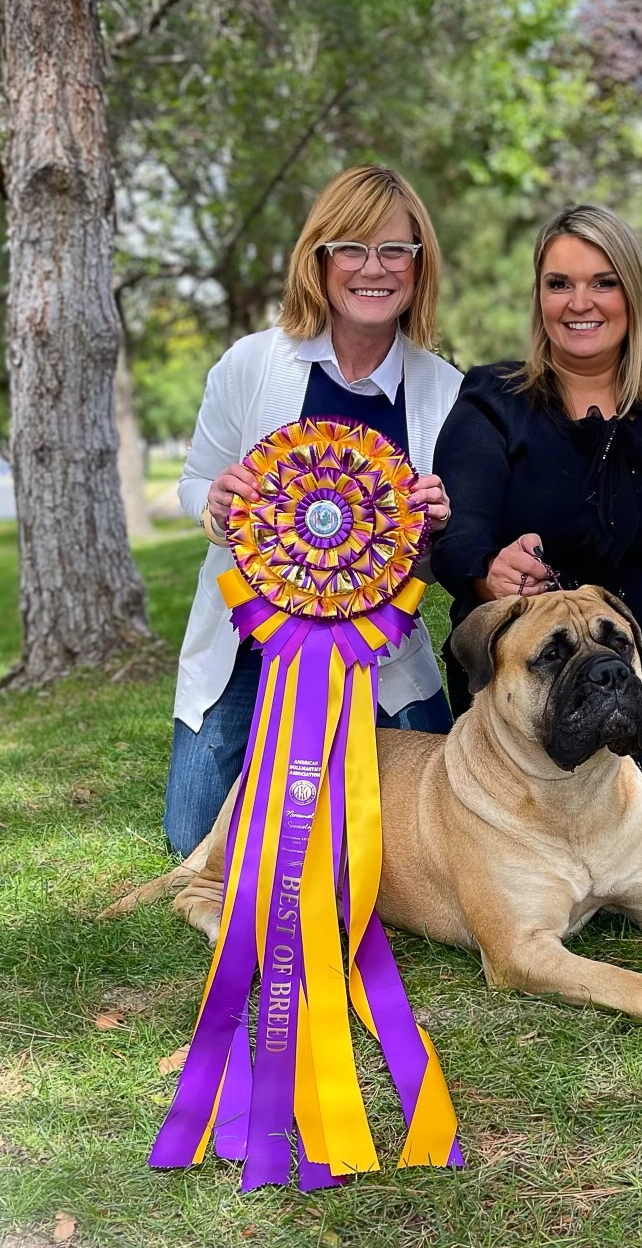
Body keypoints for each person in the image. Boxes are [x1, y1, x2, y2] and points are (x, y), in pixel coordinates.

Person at [430, 203, 642, 866]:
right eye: (559, 284)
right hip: (535, 689)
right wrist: (489, 569)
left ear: (633, 292)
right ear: (539, 296)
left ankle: (598, 836)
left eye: (603, 282)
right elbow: (460, 528)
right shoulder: (491, 398)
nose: (579, 303)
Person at [165, 165, 462, 857]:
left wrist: (439, 531)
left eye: (395, 250)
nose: (373, 268)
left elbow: (438, 563)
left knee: (430, 831)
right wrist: (215, 506)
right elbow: (194, 484)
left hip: (377, 648)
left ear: (419, 264)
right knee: (195, 837)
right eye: (351, 248)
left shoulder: (445, 391)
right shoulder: (249, 365)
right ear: (319, 258)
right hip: (252, 642)